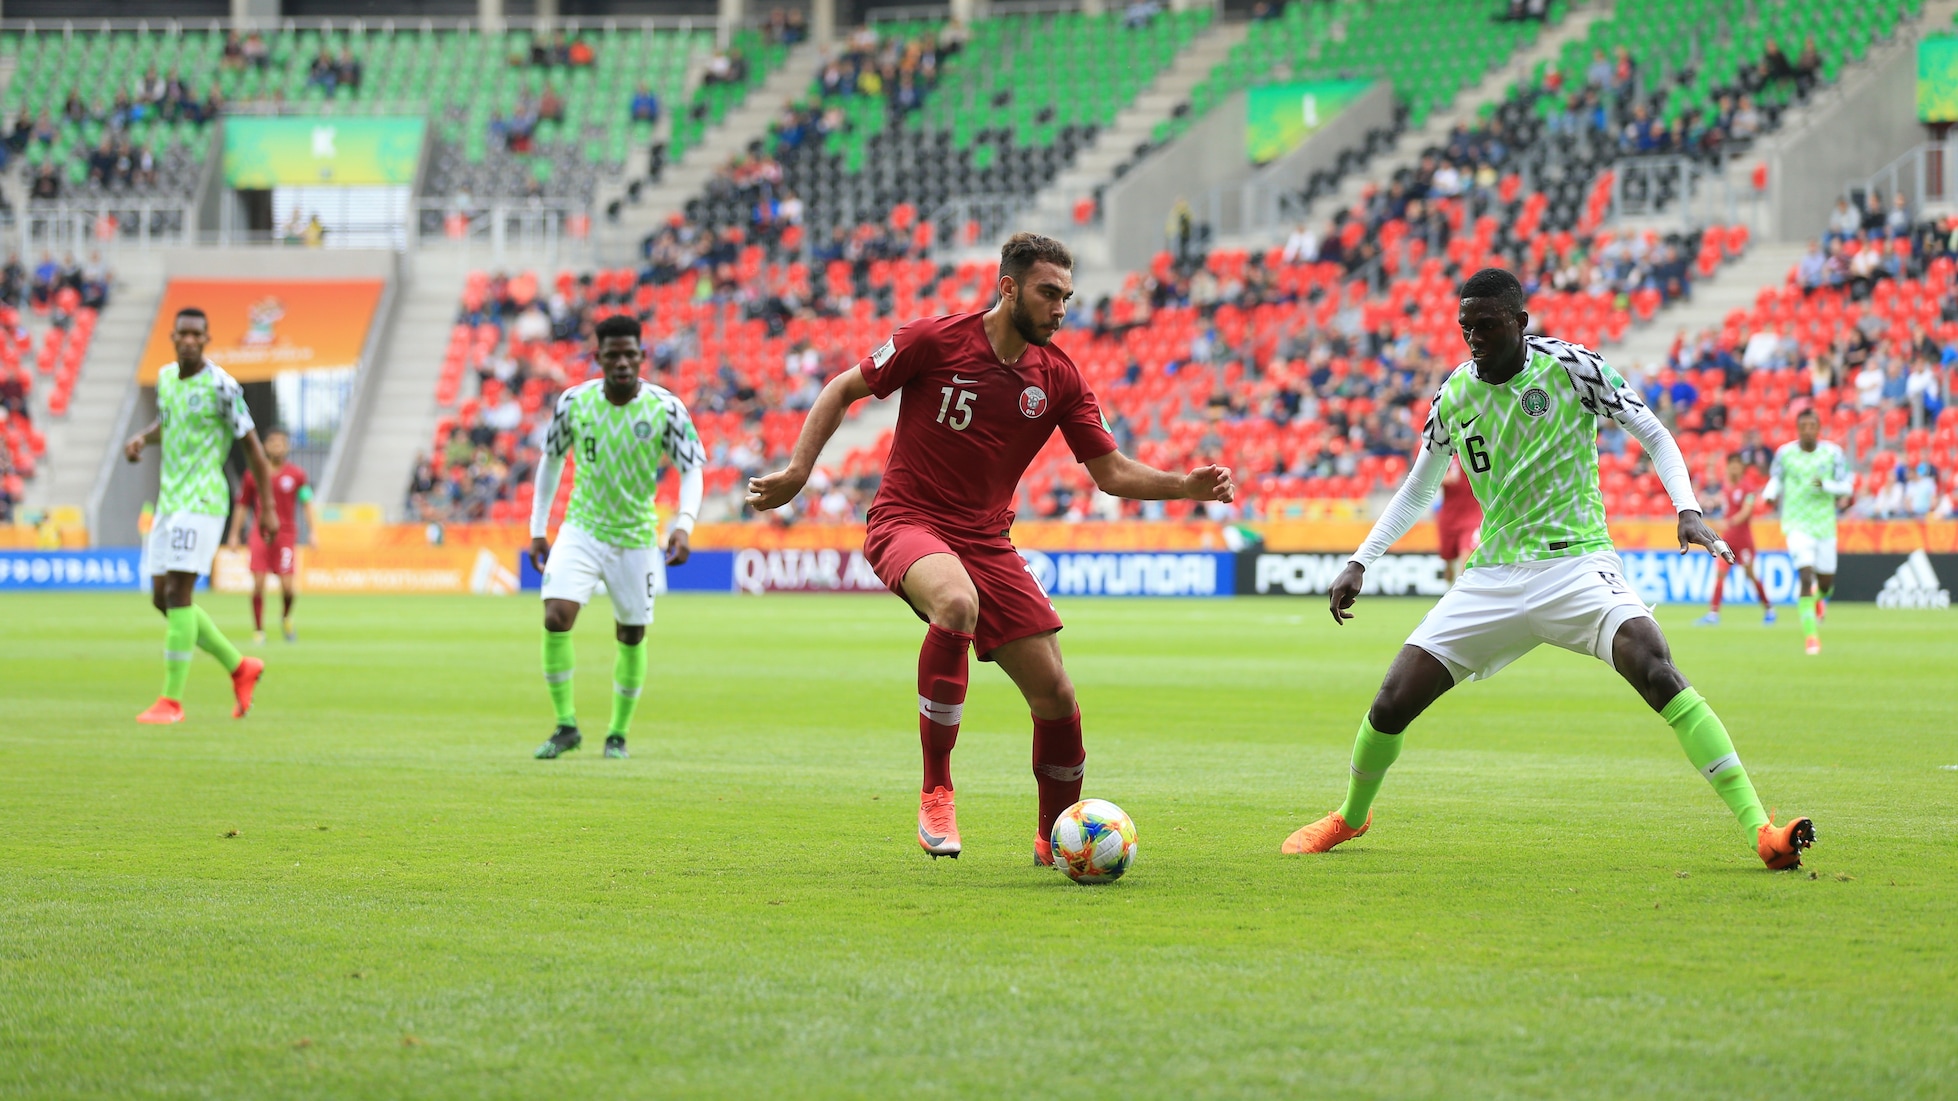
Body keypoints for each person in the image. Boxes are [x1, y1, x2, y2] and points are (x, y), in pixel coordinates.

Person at [1287, 268, 1814, 870]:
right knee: (1390, 703)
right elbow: (1417, 489)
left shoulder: (1573, 368)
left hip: (1577, 564)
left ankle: (1761, 830)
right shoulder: (1455, 394)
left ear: (1520, 323)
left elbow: (1654, 434)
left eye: (1486, 326)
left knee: (1655, 665)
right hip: (1492, 576)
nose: (1474, 338)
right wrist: (1360, 560)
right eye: (1466, 328)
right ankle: (1350, 817)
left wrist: (1687, 509)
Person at [746, 233, 1235, 863]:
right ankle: (936, 789)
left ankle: (1059, 839)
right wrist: (796, 473)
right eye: (1048, 293)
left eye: (1067, 297)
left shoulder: (1058, 377)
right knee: (955, 602)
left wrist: (1183, 486)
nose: (1061, 309)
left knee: (1056, 695)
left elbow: (1111, 473)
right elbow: (841, 389)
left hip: (988, 542)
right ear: (1008, 288)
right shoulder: (933, 340)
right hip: (907, 521)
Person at [528, 315, 705, 761]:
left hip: (636, 537)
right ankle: (566, 725)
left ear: (642, 356)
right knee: (556, 616)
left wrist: (683, 523)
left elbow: (691, 469)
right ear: (599, 358)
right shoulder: (574, 403)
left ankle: (617, 735)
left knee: (630, 633)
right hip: (582, 528)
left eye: (630, 354)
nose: (623, 362)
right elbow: (551, 462)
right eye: (613, 355)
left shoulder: (666, 408)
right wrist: (537, 528)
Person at [123, 307, 275, 725]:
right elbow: (168, 422)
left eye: (197, 335)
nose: (189, 340)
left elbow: (255, 451)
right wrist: (142, 438)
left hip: (203, 503)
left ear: (207, 338)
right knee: (163, 598)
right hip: (169, 503)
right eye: (183, 334)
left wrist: (269, 507)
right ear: (173, 336)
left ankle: (171, 702)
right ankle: (240, 666)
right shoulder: (167, 378)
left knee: (178, 594)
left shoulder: (222, 387)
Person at [1764, 407, 1854, 656]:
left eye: (1811, 426)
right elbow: (1776, 479)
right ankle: (1811, 637)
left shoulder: (1832, 453)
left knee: (1826, 582)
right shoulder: (1785, 454)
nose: (1807, 431)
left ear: (1819, 428)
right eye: (1803, 426)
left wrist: (1827, 486)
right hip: (1796, 524)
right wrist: (1770, 495)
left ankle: (1819, 599)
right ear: (1797, 429)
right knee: (1805, 576)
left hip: (1824, 525)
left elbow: (1847, 486)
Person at [227, 428, 317, 644]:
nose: (277, 446)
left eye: (282, 442)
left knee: (288, 587)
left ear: (287, 446)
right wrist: (234, 535)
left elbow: (307, 503)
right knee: (258, 583)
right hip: (260, 534)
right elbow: (241, 505)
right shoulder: (253, 474)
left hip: (285, 535)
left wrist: (313, 531)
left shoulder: (297, 475)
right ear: (264, 446)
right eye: (273, 442)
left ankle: (286, 617)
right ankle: (259, 631)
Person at [1695, 453, 1775, 626]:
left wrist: (1727, 522)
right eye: (1731, 464)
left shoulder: (1748, 488)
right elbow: (1717, 499)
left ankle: (1769, 609)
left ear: (1742, 467)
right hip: (1728, 540)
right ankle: (1713, 614)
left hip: (1744, 541)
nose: (1734, 467)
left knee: (1750, 575)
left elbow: (1747, 511)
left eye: (1738, 464)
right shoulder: (1725, 486)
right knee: (1720, 573)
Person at [1435, 454, 1480, 584]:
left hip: (1472, 516)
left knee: (1466, 562)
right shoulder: (1447, 454)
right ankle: (1449, 591)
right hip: (1449, 518)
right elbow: (1428, 479)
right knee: (1448, 568)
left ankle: (1463, 597)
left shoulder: (1478, 450)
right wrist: (1443, 478)